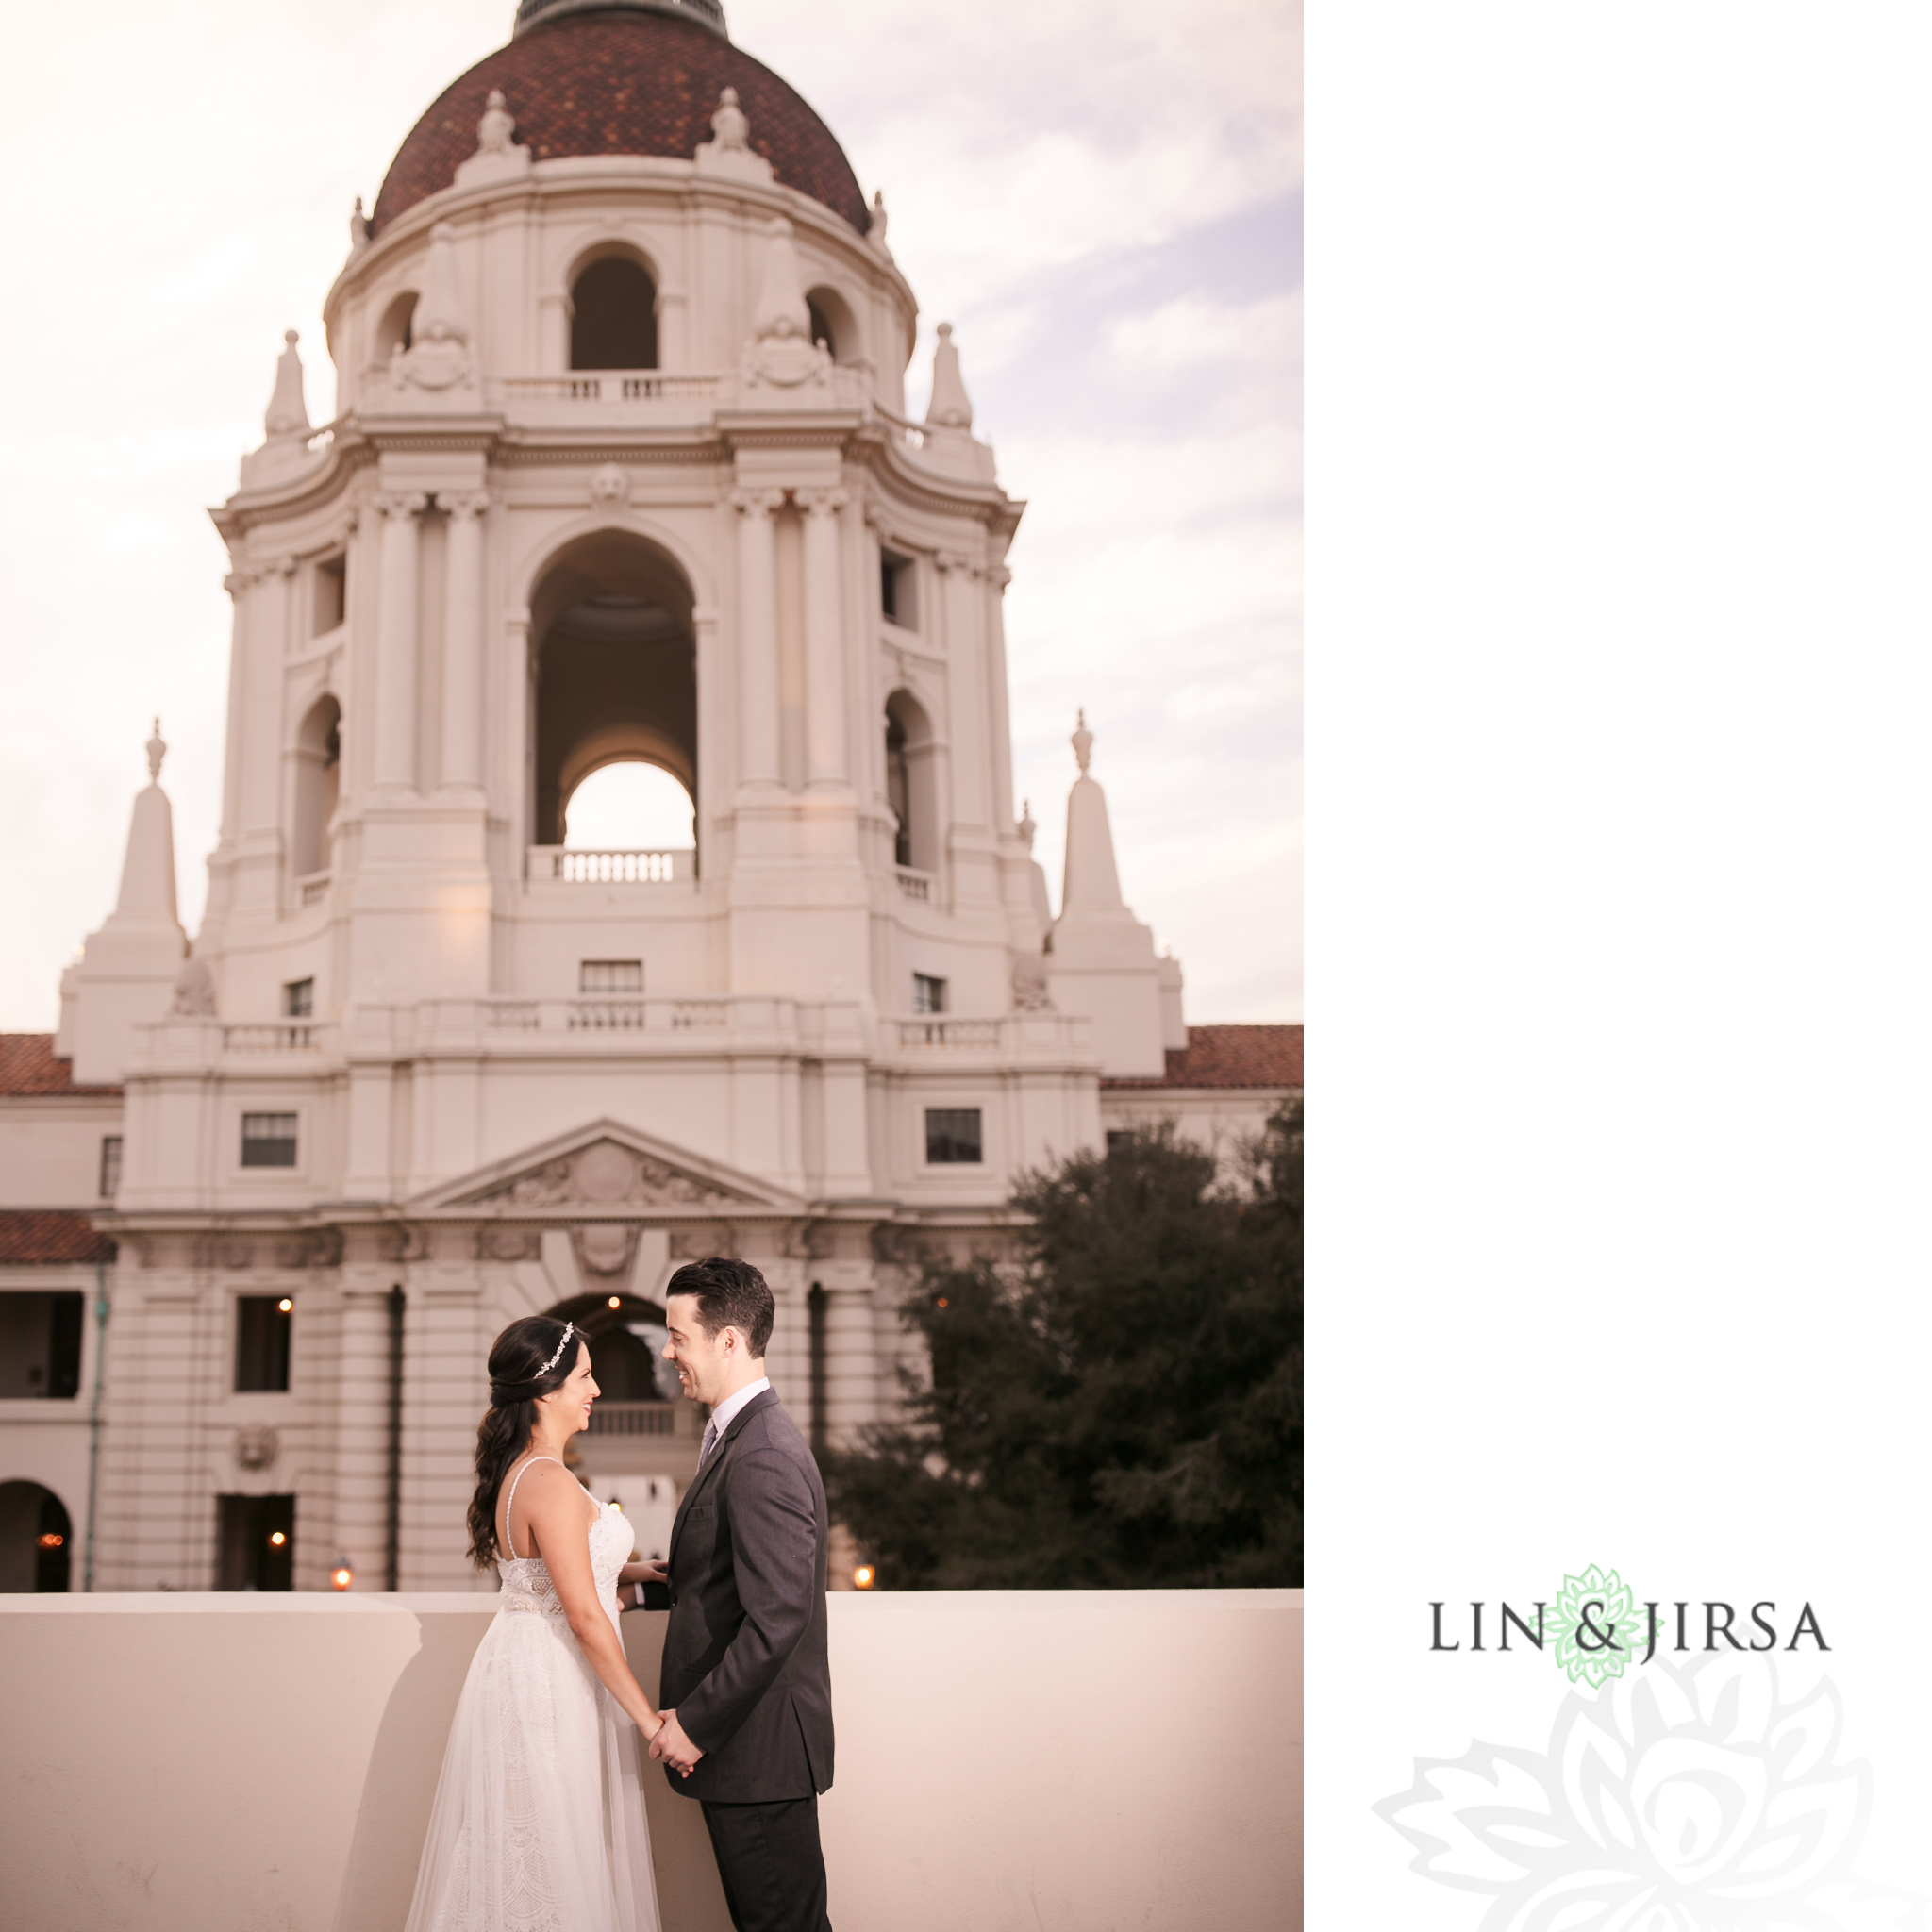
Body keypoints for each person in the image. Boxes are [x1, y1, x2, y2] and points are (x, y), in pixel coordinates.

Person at [404, 1314, 668, 1932]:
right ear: (546, 1392)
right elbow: (580, 1615)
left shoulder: (526, 1472)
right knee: (553, 1851)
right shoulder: (546, 1479)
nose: (596, 1390)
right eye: (585, 1377)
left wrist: (631, 1576)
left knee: (547, 1846)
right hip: (550, 1686)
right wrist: (649, 1719)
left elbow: (556, 1583)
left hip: (533, 1670)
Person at [625, 1257, 836, 1932]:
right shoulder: (737, 1438)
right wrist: (636, 1593)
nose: (667, 1351)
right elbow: (725, 1578)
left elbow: (778, 1615)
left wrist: (694, 1723)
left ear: (728, 1341)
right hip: (753, 1757)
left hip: (758, 1753)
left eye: (678, 1336)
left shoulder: (763, 1452)